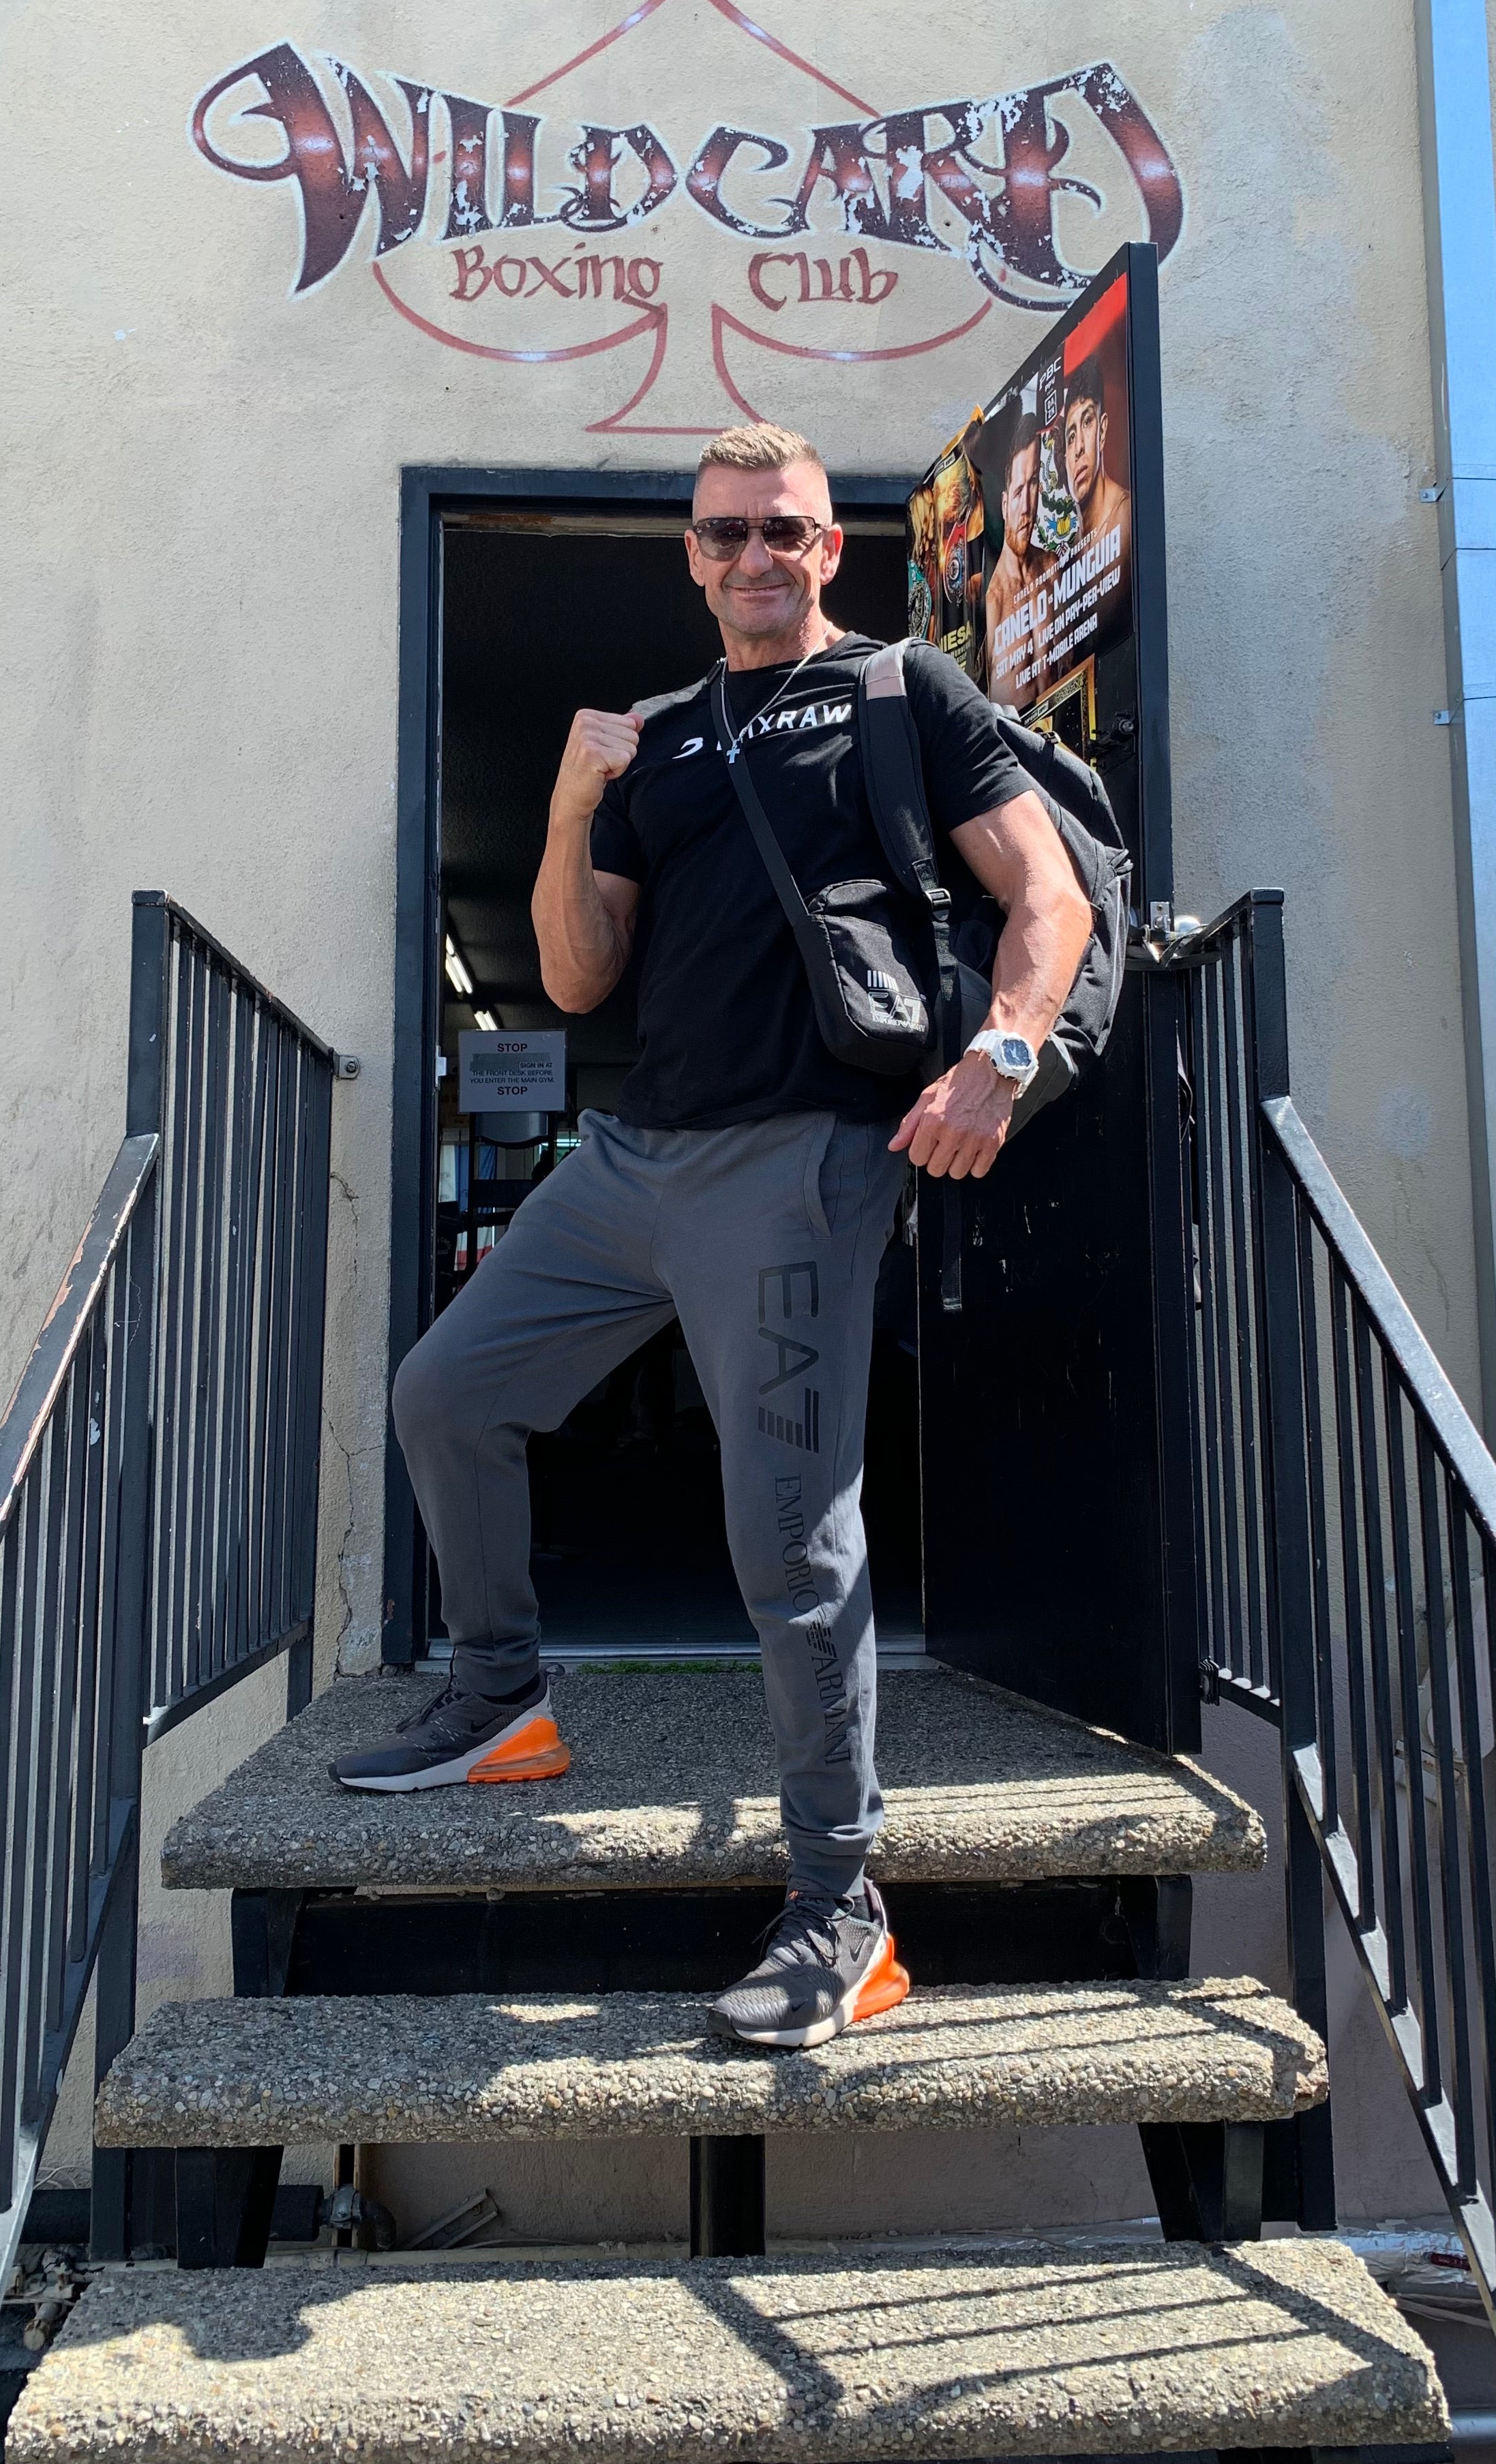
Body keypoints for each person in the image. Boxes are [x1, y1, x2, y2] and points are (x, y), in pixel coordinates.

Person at [331, 424, 1093, 2051]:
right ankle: (502, 1700)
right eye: (725, 533)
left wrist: (1002, 1053)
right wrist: (567, 807)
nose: (755, 556)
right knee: (448, 1395)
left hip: (800, 1157)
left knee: (789, 1536)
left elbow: (1050, 895)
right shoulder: (662, 737)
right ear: (690, 554)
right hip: (631, 1159)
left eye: (784, 531)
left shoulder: (903, 690)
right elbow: (575, 976)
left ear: (831, 547)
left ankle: (843, 1905)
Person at [979, 410, 1055, 696]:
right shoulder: (992, 602)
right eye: (1018, 491)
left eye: (1033, 484)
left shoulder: (1053, 568)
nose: (1026, 507)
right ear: (1004, 504)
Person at [1061, 355, 1130, 552]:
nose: (1079, 448)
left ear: (1102, 430)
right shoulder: (1070, 551)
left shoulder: (1124, 516)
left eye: (1087, 422)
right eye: (1071, 436)